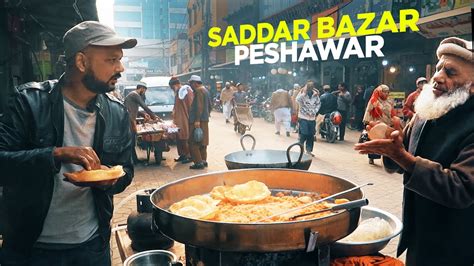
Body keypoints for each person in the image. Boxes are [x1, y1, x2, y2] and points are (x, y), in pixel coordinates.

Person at [0, 21, 136, 265]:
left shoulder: (117, 112)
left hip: (91, 246)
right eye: (112, 60)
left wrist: (109, 179)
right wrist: (55, 154)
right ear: (81, 62)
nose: (121, 68)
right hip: (29, 249)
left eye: (120, 59)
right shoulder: (29, 102)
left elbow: (126, 170)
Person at [355, 37, 474, 265]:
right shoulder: (427, 110)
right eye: (438, 69)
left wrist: (401, 156)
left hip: (457, 244)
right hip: (419, 233)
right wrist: (390, 143)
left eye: (450, 72)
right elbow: (402, 153)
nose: (437, 77)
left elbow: (461, 188)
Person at [124, 82, 159, 164]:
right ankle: (132, 160)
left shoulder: (132, 95)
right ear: (142, 88)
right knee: (131, 141)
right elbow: (144, 106)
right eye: (144, 90)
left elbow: (134, 108)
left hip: (130, 119)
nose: (144, 93)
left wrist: (143, 114)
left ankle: (134, 159)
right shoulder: (135, 94)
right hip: (129, 120)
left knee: (132, 141)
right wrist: (154, 116)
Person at [362, 84, 398, 165]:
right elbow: (368, 111)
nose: (387, 94)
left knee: (386, 143)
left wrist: (394, 121)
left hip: (387, 123)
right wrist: (367, 122)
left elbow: (392, 112)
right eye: (385, 92)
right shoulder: (373, 101)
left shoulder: (390, 101)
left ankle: (385, 160)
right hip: (376, 124)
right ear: (380, 92)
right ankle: (372, 158)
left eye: (388, 92)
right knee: (375, 142)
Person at [188, 75, 211, 170]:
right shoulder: (205, 90)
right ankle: (203, 160)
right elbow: (210, 106)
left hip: (198, 121)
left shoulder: (198, 91)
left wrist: (197, 120)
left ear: (195, 83)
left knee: (193, 142)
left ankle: (198, 162)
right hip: (204, 120)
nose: (190, 85)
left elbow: (199, 106)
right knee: (203, 142)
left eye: (191, 83)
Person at [169, 77, 193, 164]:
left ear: (175, 85)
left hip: (184, 119)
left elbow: (190, 105)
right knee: (179, 137)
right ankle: (182, 155)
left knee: (184, 137)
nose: (172, 89)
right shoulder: (178, 92)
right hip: (178, 119)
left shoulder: (186, 91)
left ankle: (188, 156)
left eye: (172, 87)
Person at [296, 81, 321, 156]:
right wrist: (304, 93)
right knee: (304, 133)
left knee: (311, 135)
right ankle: (301, 149)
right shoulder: (302, 94)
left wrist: (315, 111)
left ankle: (309, 151)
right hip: (303, 117)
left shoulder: (315, 95)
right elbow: (297, 100)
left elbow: (318, 104)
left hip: (312, 118)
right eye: (308, 87)